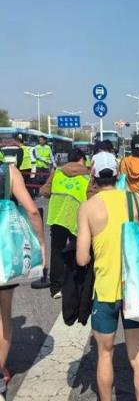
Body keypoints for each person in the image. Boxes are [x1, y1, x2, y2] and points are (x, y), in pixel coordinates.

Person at [76, 152, 139, 401]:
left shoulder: (88, 207)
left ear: (94, 175)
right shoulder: (135, 200)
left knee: (104, 354)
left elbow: (82, 259)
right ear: (118, 174)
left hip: (105, 289)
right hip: (134, 291)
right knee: (137, 355)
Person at [0, 161, 46, 400]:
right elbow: (32, 211)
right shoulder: (8, 172)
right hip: (4, 255)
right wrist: (41, 243)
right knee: (3, 315)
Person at [40, 148, 94, 299]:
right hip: (77, 219)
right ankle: (76, 285)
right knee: (78, 251)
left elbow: (44, 191)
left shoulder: (57, 172)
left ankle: (56, 288)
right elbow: (93, 197)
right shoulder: (87, 177)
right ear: (82, 160)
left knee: (57, 252)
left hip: (57, 217)